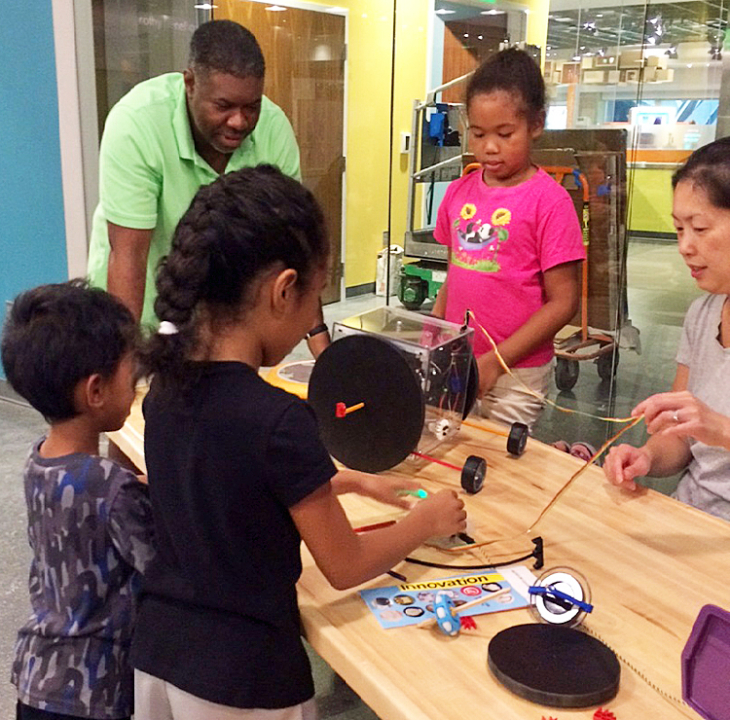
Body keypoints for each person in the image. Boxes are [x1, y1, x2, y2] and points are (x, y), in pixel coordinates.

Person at [131, 165, 466, 718]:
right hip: (246, 684)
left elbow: (233, 478)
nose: (315, 318)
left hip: (159, 659)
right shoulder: (279, 419)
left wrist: (353, 480)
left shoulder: (164, 392)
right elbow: (345, 564)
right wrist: (423, 525)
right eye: (315, 298)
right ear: (284, 291)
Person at [86, 20, 329, 354]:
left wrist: (324, 352)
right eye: (224, 106)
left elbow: (294, 245)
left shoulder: (273, 128)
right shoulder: (137, 123)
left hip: (216, 317)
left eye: (251, 106)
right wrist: (126, 365)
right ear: (190, 83)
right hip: (139, 312)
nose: (239, 121)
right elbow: (129, 255)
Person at [1, 281, 155, 720]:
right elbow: (162, 565)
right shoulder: (111, 486)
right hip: (92, 692)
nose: (137, 385)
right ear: (96, 391)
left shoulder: (38, 463)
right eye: (133, 375)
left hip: (36, 678)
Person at [432, 48, 585, 429]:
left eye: (505, 134)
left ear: (536, 124)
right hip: (459, 359)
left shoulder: (550, 202)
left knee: (500, 470)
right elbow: (456, 274)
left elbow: (563, 302)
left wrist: (494, 362)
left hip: (518, 374)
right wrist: (433, 335)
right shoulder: (458, 193)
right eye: (479, 134)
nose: (489, 147)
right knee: (445, 453)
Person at [603, 137, 730, 521]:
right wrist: (647, 456)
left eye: (700, 227)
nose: (685, 247)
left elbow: (709, 428)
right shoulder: (703, 314)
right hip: (692, 514)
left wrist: (721, 429)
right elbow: (681, 435)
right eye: (678, 229)